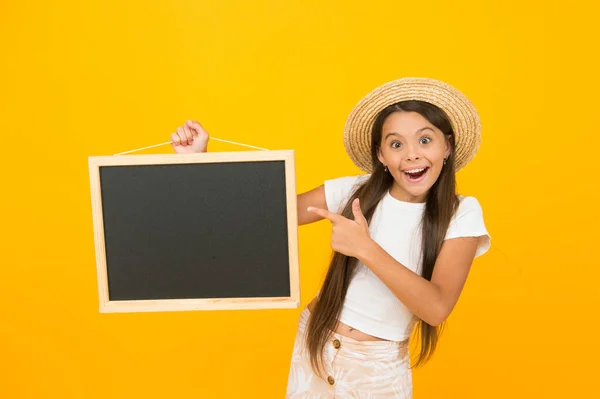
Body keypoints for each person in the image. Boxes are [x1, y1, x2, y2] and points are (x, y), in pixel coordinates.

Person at [169, 77, 491, 398]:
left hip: (376, 371)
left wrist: (364, 248)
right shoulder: (354, 192)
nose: (411, 155)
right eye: (396, 144)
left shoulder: (461, 213)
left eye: (425, 140)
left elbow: (436, 308)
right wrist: (199, 161)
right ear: (380, 155)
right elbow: (263, 218)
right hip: (315, 344)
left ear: (447, 146)